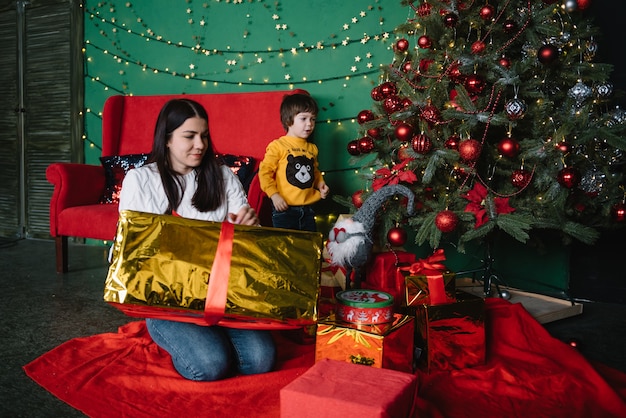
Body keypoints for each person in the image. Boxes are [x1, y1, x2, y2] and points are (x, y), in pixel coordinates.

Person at [117, 98, 276, 381]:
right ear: (166, 139)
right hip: (168, 300)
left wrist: (250, 228)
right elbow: (133, 254)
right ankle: (173, 332)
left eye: (203, 136)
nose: (200, 144)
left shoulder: (223, 175)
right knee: (210, 365)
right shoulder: (139, 180)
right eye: (189, 136)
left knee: (261, 360)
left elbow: (248, 249)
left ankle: (209, 333)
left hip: (224, 294)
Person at [258, 89, 329, 232]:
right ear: (288, 120)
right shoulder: (278, 146)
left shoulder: (312, 148)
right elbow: (264, 173)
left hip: (308, 209)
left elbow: (314, 172)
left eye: (313, 119)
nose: (309, 124)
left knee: (308, 248)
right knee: (286, 250)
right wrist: (274, 195)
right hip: (284, 210)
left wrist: (321, 183)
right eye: (303, 119)